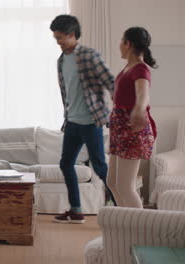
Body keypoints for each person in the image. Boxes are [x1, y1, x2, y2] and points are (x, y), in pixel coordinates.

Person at [50, 14, 116, 224]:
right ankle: (76, 210)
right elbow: (66, 92)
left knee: (99, 166)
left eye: (60, 37)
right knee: (66, 163)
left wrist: (120, 109)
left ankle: (119, 206)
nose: (58, 42)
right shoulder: (61, 61)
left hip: (91, 122)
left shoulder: (89, 55)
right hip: (72, 122)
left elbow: (110, 82)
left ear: (72, 35)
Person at [107, 27, 157, 208]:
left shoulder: (141, 69)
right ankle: (125, 222)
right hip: (120, 131)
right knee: (112, 183)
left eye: (121, 41)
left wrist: (139, 108)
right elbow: (124, 94)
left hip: (132, 131)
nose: (119, 45)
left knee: (125, 186)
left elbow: (143, 93)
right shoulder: (128, 68)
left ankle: (140, 228)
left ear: (128, 44)